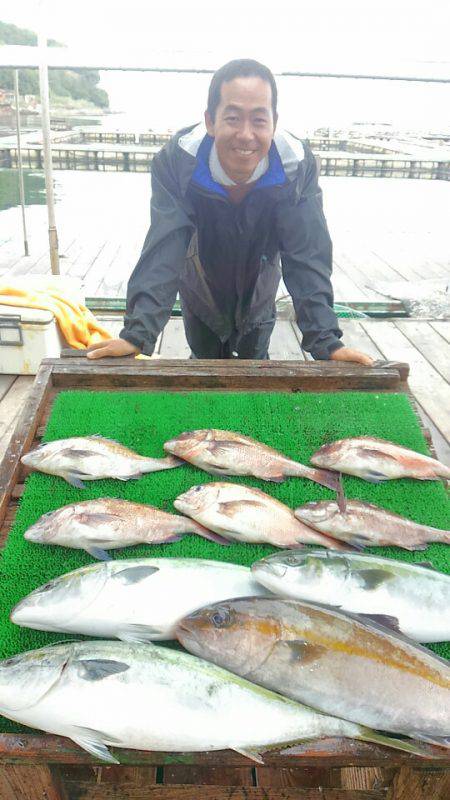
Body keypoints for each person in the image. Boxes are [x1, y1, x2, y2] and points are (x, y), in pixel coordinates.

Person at [87, 59, 373, 365]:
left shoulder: (296, 168)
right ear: (211, 121)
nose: (246, 135)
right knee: (203, 362)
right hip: (200, 286)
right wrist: (137, 334)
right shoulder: (178, 162)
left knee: (255, 363)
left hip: (260, 287)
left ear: (274, 121)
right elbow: (166, 245)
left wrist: (326, 340)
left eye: (259, 120)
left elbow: (306, 254)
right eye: (233, 118)